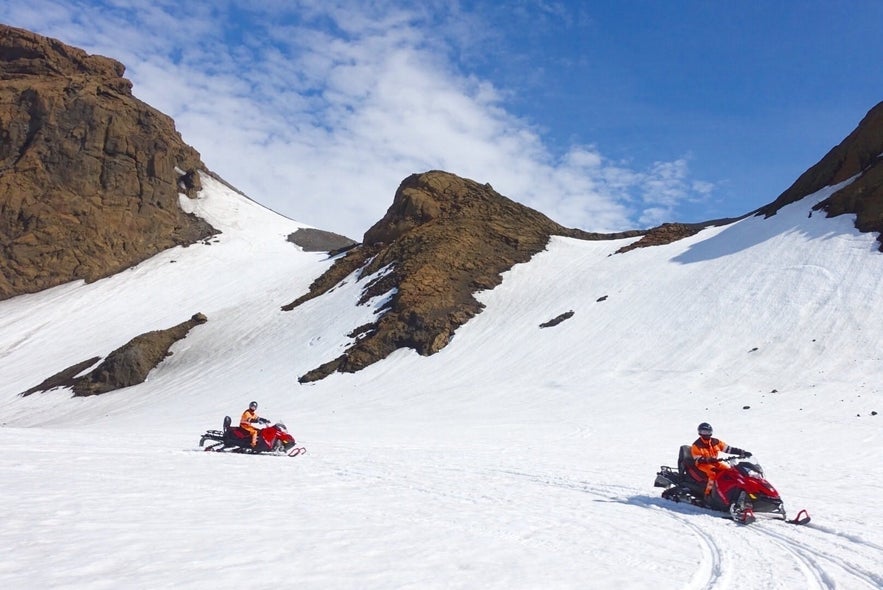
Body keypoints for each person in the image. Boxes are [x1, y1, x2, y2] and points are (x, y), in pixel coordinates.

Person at [691, 422, 752, 499]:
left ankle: (730, 492)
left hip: (715, 462)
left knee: (730, 471)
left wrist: (742, 452)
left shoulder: (715, 442)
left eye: (708, 432)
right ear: (699, 433)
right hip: (702, 464)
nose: (706, 434)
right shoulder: (696, 445)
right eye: (703, 432)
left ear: (711, 432)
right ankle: (708, 494)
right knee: (713, 473)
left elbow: (728, 449)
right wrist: (709, 459)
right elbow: (698, 459)